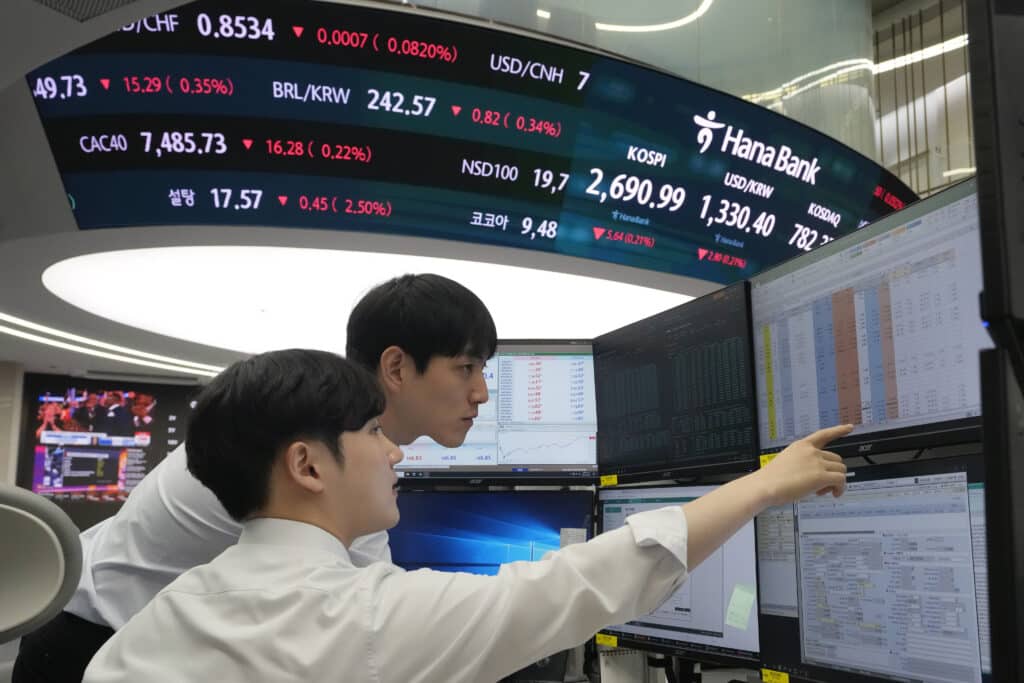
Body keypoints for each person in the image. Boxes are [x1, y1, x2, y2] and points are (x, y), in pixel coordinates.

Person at [82, 349, 850, 683]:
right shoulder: (366, 620)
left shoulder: (154, 624)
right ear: (308, 465)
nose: (398, 455)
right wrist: (764, 485)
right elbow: (583, 583)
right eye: (375, 435)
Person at [13, 273, 497, 683]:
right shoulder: (313, 452)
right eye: (466, 368)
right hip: (88, 642)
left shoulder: (315, 428)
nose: (481, 394)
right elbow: (386, 629)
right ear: (395, 367)